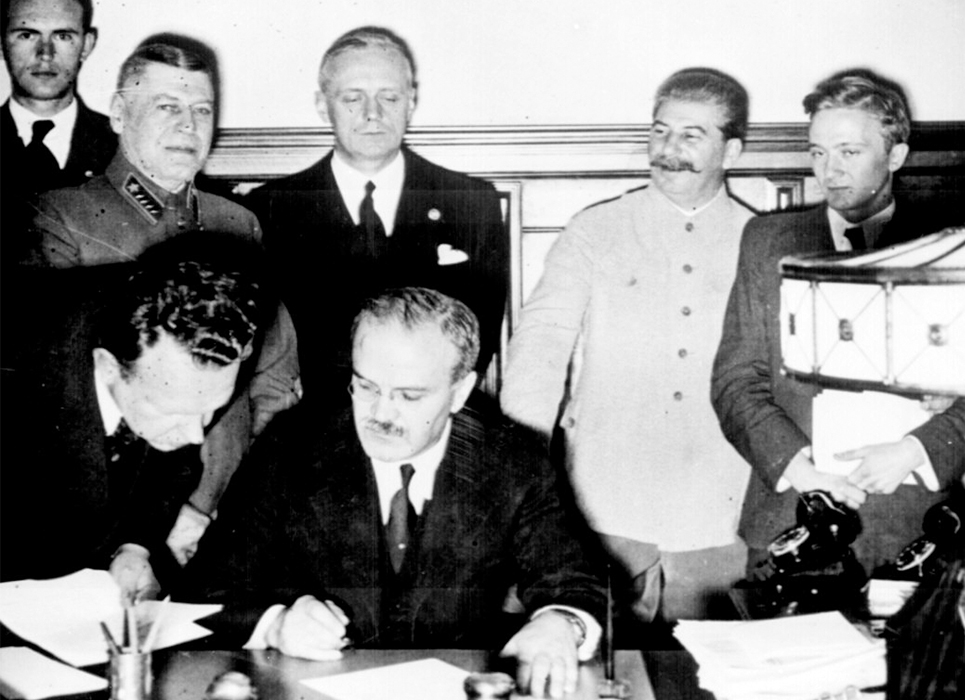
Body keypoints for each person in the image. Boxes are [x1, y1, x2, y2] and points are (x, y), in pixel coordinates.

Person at [185, 288, 604, 700]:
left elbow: (573, 582)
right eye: (366, 387)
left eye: (409, 395)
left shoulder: (510, 460)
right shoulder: (290, 449)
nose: (381, 414)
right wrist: (276, 625)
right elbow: (204, 590)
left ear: (460, 392)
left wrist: (561, 623)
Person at [22, 33, 302, 566]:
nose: (189, 125)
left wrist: (223, 500)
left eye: (202, 110)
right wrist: (156, 521)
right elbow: (61, 392)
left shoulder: (237, 224)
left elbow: (273, 380)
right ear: (119, 113)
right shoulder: (58, 216)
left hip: (225, 515)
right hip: (110, 527)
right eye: (167, 106)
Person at [711, 70, 965, 577]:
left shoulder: (957, 245)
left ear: (896, 156)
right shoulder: (766, 242)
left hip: (919, 526)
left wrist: (916, 450)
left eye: (849, 151)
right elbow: (735, 382)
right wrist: (801, 471)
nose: (829, 170)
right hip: (791, 519)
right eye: (818, 152)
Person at [500, 68, 754, 622]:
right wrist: (521, 468)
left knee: (709, 658)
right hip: (606, 502)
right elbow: (540, 346)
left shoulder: (758, 241)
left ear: (731, 151)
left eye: (691, 136)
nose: (668, 150)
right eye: (660, 132)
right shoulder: (595, 229)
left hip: (719, 508)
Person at [246, 26, 507, 407]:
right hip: (309, 425)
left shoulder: (471, 203)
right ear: (322, 105)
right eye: (353, 98)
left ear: (411, 102)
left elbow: (479, 338)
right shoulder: (269, 209)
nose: (373, 114)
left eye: (389, 97)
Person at [0, 252, 262, 602]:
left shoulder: (212, 345)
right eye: (173, 413)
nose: (195, 435)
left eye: (208, 412)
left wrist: (135, 546)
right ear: (108, 368)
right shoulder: (21, 378)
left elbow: (169, 460)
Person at [1, 0, 115, 253]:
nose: (45, 53)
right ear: (1, 43)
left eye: (63, 36)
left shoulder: (124, 147)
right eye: (27, 35)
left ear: (86, 45)